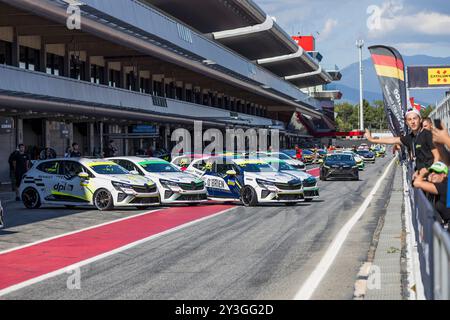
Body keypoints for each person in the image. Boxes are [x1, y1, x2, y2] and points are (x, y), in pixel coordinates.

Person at [365, 107, 440, 173]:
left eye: (415, 118)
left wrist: (431, 172)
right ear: (406, 123)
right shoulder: (410, 138)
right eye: (409, 119)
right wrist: (372, 139)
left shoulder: (428, 134)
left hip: (431, 177)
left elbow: (438, 156)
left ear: (420, 120)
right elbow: (392, 140)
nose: (412, 122)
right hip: (420, 177)